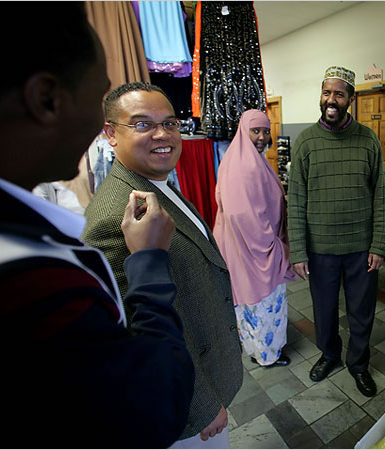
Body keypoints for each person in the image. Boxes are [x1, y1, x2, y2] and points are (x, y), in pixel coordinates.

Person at [0, 3, 195, 448]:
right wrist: (149, 263)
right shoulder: (30, 280)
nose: (163, 135)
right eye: (97, 91)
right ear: (47, 99)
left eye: (170, 123)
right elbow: (150, 405)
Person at [82, 81, 243, 448]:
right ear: (111, 134)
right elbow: (139, 333)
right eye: (143, 124)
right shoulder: (114, 217)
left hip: (209, 370)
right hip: (185, 409)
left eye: (170, 123)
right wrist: (201, 406)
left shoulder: (157, 184)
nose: (162, 134)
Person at [287, 66, 385, 397]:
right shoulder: (306, 142)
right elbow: (295, 201)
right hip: (320, 250)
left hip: (361, 249)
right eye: (326, 93)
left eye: (339, 94)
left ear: (351, 99)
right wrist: (299, 251)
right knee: (324, 310)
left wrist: (378, 245)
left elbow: (381, 196)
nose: (331, 100)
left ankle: (358, 364)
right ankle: (330, 354)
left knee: (362, 312)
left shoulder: (368, 140)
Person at [213, 109, 297, 367]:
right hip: (255, 250)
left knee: (254, 304)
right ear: (243, 131)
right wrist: (272, 247)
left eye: (265, 131)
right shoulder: (244, 166)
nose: (261, 137)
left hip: (248, 247)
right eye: (255, 131)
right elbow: (241, 215)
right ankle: (267, 356)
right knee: (262, 302)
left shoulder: (246, 158)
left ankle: (258, 350)